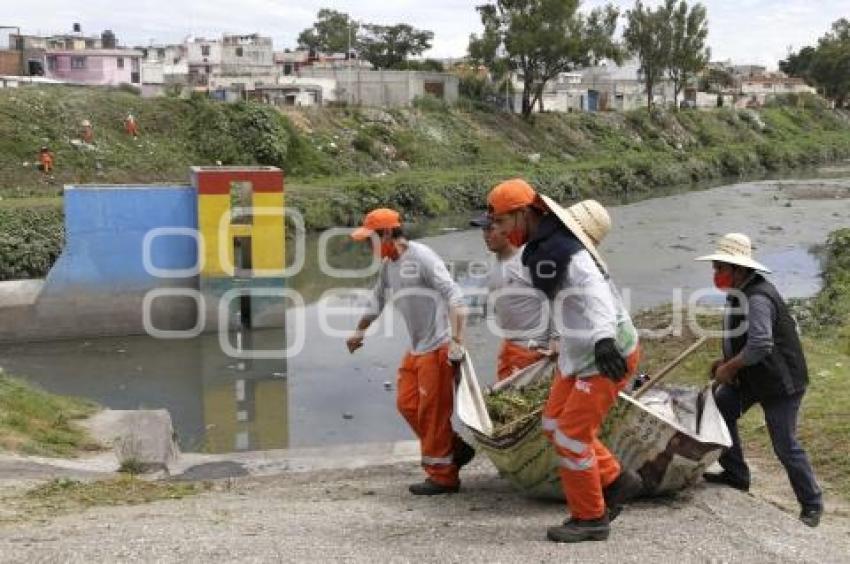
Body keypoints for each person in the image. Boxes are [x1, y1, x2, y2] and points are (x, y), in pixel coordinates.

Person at [484, 179, 643, 543]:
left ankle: (590, 518)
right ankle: (617, 480)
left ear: (523, 214)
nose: (501, 230)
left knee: (572, 437)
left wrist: (603, 339)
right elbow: (561, 304)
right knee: (553, 424)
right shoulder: (544, 251)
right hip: (578, 353)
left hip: (607, 354)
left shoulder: (570, 255)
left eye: (503, 222)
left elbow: (596, 296)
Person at [696, 233, 823, 528]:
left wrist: (730, 367)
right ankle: (736, 474)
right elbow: (739, 338)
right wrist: (724, 362)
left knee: (784, 444)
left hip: (780, 382)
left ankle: (812, 504)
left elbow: (761, 344)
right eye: (715, 268)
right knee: (720, 406)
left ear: (739, 269)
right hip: (753, 377)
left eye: (720, 268)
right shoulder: (738, 293)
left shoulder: (758, 298)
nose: (716, 274)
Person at [346, 208, 474, 495]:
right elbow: (377, 300)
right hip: (416, 348)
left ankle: (444, 476)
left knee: (433, 414)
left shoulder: (423, 257)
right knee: (407, 405)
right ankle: (454, 447)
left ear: (388, 233)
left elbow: (455, 295)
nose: (368, 246)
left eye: (371, 240)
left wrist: (457, 340)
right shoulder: (389, 264)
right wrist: (359, 331)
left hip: (438, 347)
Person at [469, 211, 551, 381]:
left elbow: (555, 298)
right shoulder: (492, 261)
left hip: (532, 347)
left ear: (507, 229)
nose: (485, 235)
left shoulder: (527, 260)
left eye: (490, 229)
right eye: (483, 230)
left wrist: (556, 340)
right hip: (510, 345)